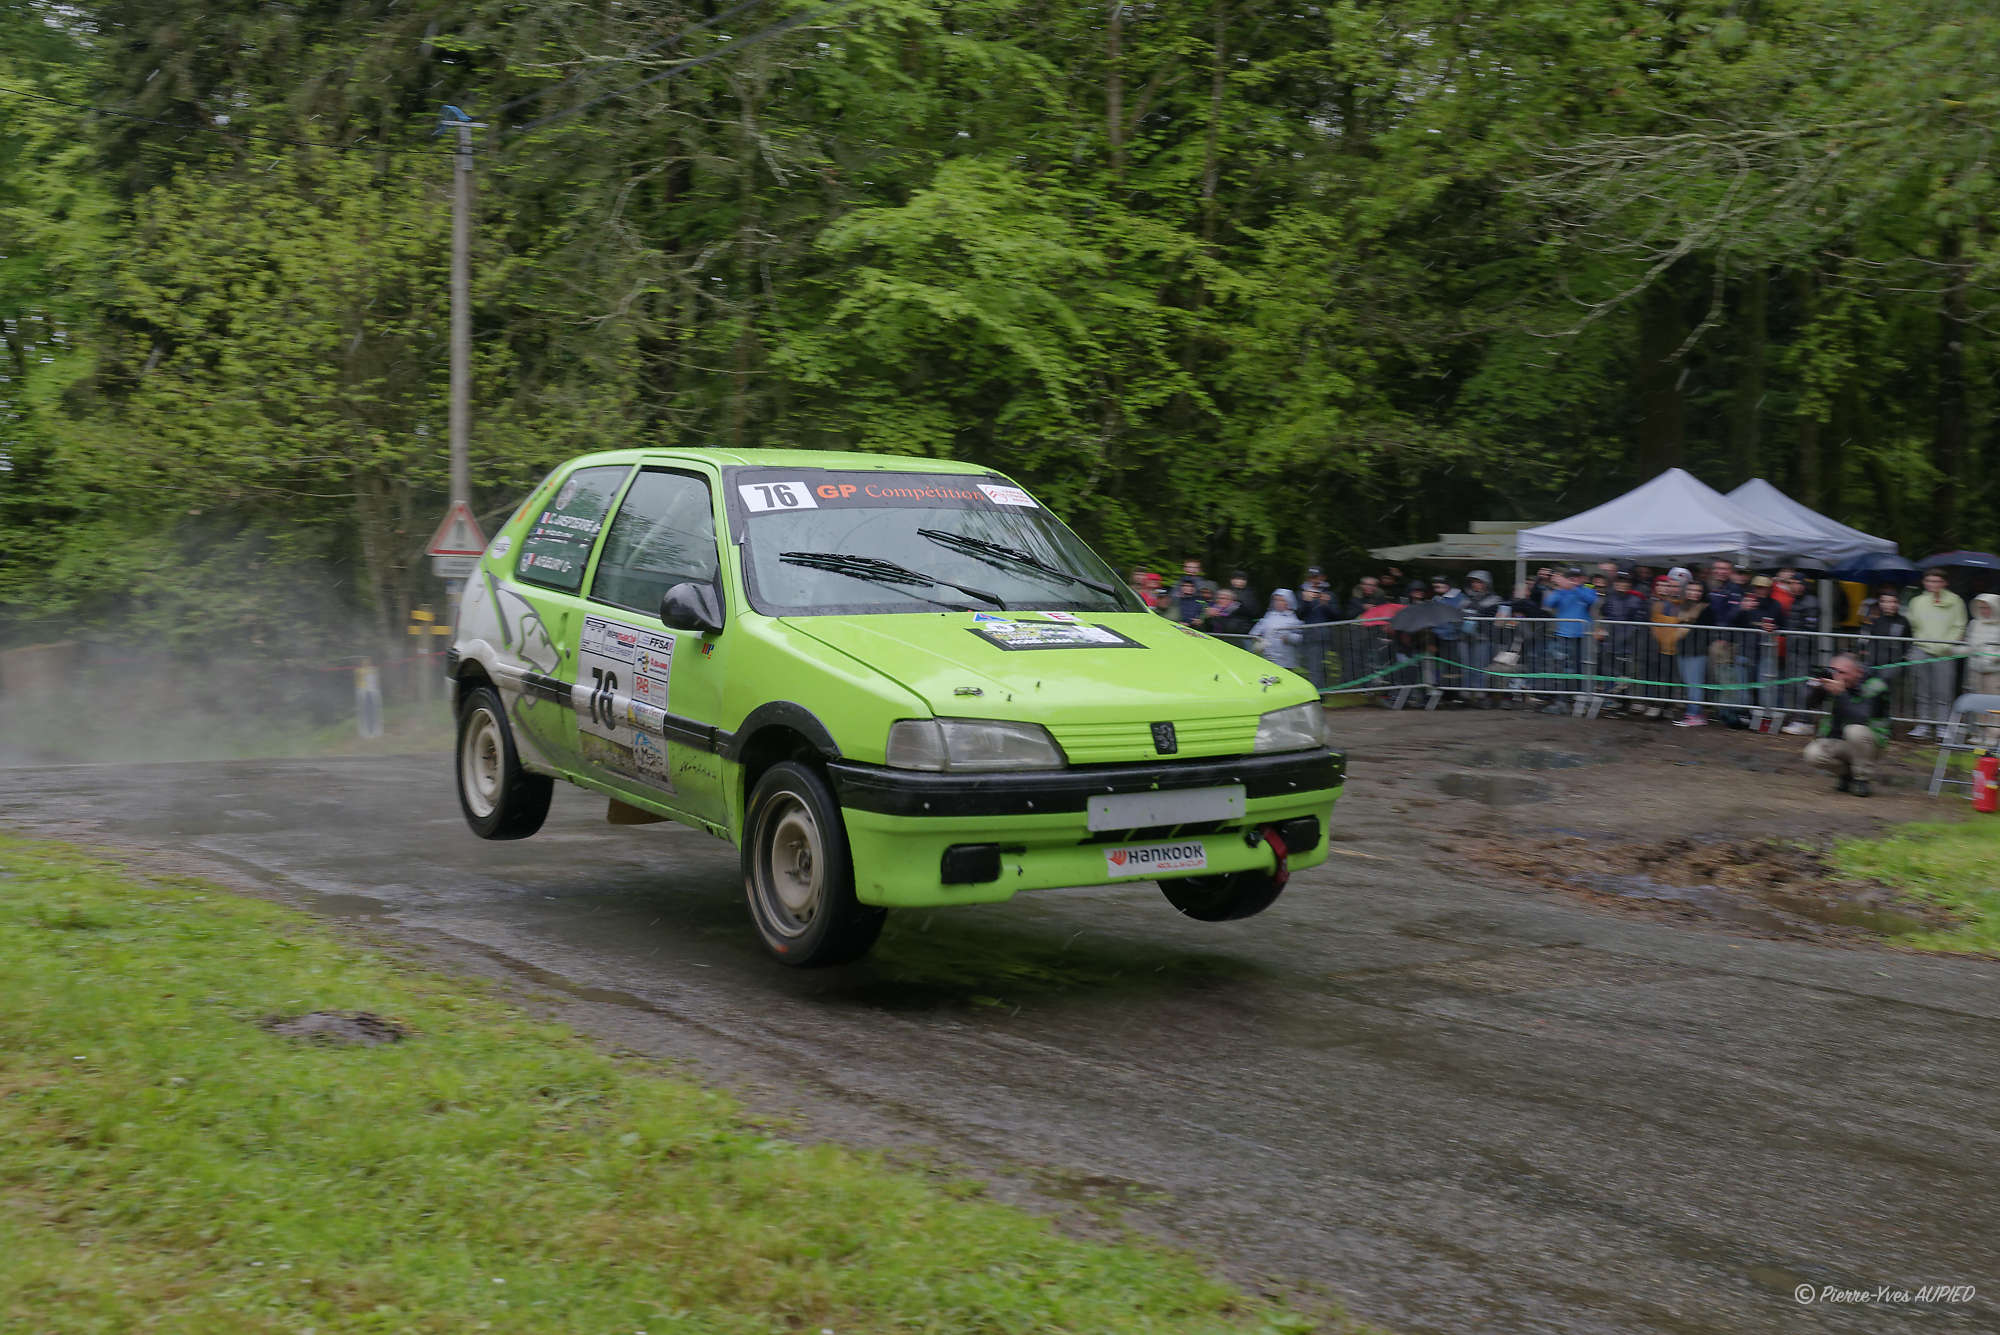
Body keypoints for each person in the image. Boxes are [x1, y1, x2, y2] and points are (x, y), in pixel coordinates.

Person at [1802, 653, 1892, 797]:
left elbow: (1861, 717)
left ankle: (1862, 779)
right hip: (1841, 742)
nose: (1838, 676)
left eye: (1843, 672)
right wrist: (1817, 687)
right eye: (1834, 670)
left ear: (1858, 672)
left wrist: (1842, 694)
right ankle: (1847, 774)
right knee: (1812, 754)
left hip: (1871, 744)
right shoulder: (1834, 683)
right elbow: (1810, 704)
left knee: (1854, 730)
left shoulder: (1876, 686)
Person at [1906, 567, 1968, 739]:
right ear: (1924, 582)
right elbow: (1914, 625)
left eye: (1937, 581)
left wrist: (1947, 644)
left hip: (1946, 651)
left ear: (1944, 583)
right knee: (1922, 690)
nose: (1933, 584)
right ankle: (1923, 725)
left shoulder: (1956, 601)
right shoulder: (1916, 601)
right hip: (1921, 649)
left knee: (1944, 691)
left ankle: (1943, 727)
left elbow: (1960, 625)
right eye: (1929, 581)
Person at [1540, 566, 1601, 713]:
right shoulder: (1561, 591)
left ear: (1583, 578)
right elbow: (1549, 603)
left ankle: (1582, 701)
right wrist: (1561, 588)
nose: (1574, 579)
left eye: (1577, 577)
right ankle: (1562, 701)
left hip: (1583, 636)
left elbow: (1592, 601)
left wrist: (1573, 587)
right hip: (1563, 635)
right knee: (1562, 669)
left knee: (1583, 669)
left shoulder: (1587, 589)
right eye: (1571, 577)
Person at [1595, 569, 1649, 713]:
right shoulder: (1610, 598)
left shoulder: (1637, 600)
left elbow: (1639, 623)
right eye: (1619, 581)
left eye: (1625, 582)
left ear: (1630, 584)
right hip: (1610, 644)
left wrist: (1626, 638)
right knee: (1609, 673)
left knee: (1626, 677)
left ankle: (1624, 703)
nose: (1622, 584)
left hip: (1628, 645)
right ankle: (1610, 701)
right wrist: (1601, 629)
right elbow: (1604, 616)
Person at [1669, 580, 1718, 726]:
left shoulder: (1706, 609)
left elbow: (1709, 631)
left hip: (1697, 651)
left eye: (1697, 591)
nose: (1694, 593)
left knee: (1694, 683)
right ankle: (1696, 712)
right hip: (1682, 648)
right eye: (1691, 590)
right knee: (1688, 682)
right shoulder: (1680, 606)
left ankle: (1693, 714)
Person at [1460, 570, 1502, 707]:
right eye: (1473, 582)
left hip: (1482, 638)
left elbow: (1496, 618)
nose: (1475, 585)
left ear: (1486, 583)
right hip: (1465, 637)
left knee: (1479, 667)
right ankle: (1466, 695)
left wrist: (1475, 609)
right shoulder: (1465, 599)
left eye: (1478, 582)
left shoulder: (1494, 599)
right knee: (1465, 666)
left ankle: (1479, 695)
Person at [1249, 589, 1305, 671]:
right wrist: (1259, 640)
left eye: (1281, 600)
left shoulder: (1294, 619)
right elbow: (1254, 632)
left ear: (1288, 602)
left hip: (1285, 660)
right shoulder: (1269, 616)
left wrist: (1289, 637)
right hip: (1268, 657)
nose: (1278, 602)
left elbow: (1301, 637)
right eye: (1276, 600)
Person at [1966, 594, 2000, 698]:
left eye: (1987, 608)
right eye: (1981, 608)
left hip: (1994, 673)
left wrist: (1993, 658)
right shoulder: (1974, 624)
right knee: (1978, 705)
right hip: (1975, 672)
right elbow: (1969, 644)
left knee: (1994, 705)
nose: (1984, 611)